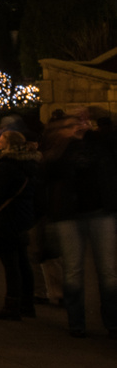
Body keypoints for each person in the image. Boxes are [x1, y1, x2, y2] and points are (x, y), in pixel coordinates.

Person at [38, 109, 117, 339]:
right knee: (73, 270)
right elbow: (47, 169)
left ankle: (112, 321)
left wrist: (95, 123)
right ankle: (76, 322)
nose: (79, 126)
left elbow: (112, 138)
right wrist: (66, 141)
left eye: (82, 122)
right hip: (68, 215)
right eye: (72, 124)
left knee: (109, 271)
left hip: (101, 212)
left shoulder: (100, 143)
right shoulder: (58, 149)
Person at [0, 127, 38, 321]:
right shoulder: (28, 164)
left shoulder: (6, 166)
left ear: (9, 145)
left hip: (7, 219)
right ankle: (27, 304)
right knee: (22, 261)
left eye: (1, 140)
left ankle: (12, 305)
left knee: (11, 263)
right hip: (22, 217)